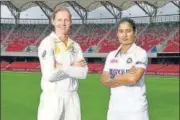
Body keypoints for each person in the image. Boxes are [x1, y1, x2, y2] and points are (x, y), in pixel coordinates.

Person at [37, 7, 88, 120]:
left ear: (70, 22)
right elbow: (50, 75)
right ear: (53, 21)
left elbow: (83, 73)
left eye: (66, 20)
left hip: (72, 98)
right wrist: (72, 66)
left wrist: (60, 66)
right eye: (59, 20)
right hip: (52, 98)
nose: (63, 23)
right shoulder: (47, 43)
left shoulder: (75, 45)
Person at [100, 17, 149, 120]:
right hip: (114, 111)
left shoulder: (140, 53)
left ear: (135, 32)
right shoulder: (111, 55)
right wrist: (126, 77)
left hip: (136, 111)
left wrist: (112, 78)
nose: (124, 35)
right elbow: (104, 80)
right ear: (117, 34)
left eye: (128, 31)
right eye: (121, 31)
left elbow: (133, 79)